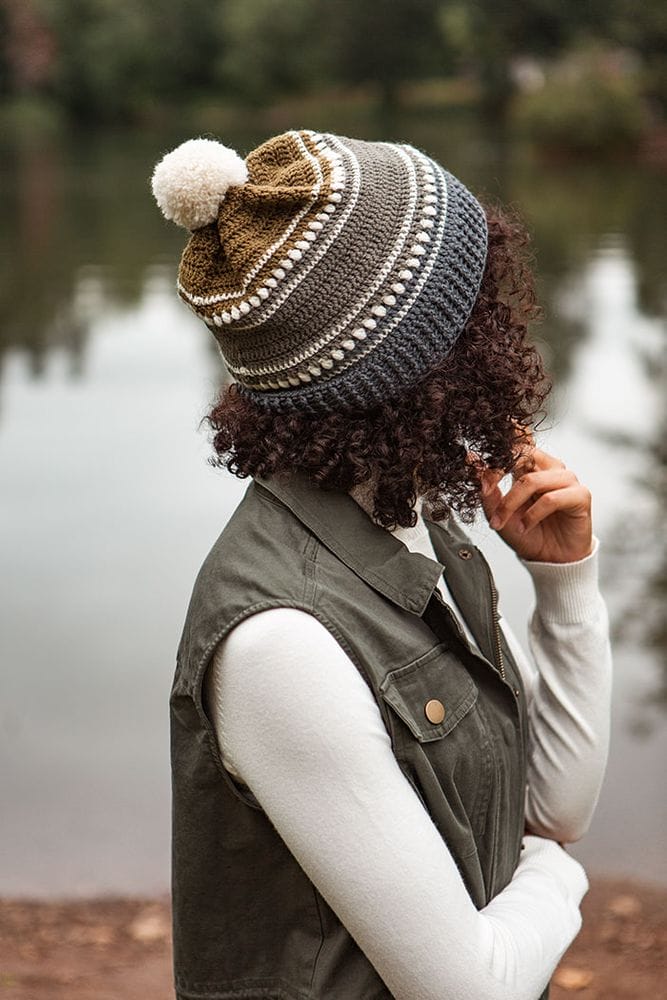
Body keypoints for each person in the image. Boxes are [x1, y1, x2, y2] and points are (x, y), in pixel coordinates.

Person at [151, 129, 612, 1000]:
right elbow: (470, 987)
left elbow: (552, 807)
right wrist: (555, 879)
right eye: (478, 307)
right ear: (420, 365)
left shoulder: (415, 522)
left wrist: (565, 584)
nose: (504, 324)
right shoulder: (278, 644)